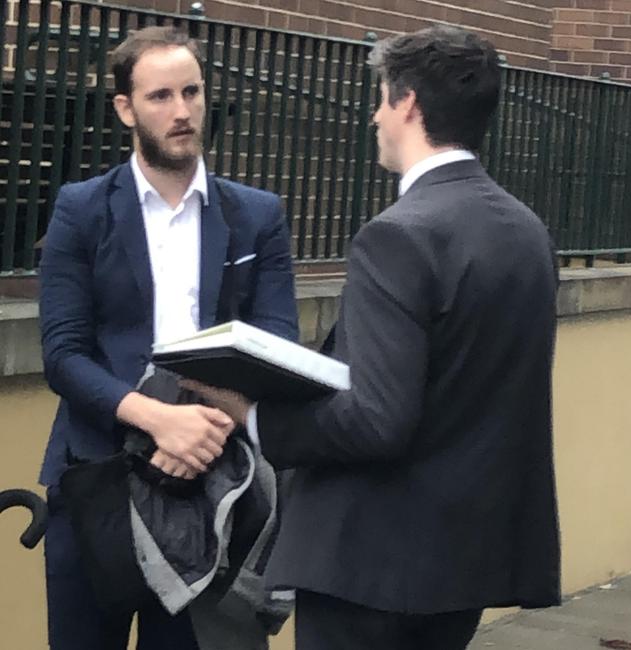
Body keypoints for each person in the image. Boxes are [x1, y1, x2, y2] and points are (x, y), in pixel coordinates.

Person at [186, 25, 561, 650]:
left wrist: (251, 415)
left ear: (409, 104)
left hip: (369, 566)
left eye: (382, 99)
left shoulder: (398, 235)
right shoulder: (528, 234)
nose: (374, 115)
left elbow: (375, 421)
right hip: (469, 564)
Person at [38, 26, 298, 650]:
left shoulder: (257, 216)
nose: (181, 112)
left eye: (191, 92)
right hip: (96, 474)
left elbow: (276, 341)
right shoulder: (82, 208)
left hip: (212, 483)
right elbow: (64, 354)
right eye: (160, 96)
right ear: (125, 108)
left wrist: (199, 429)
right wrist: (158, 420)